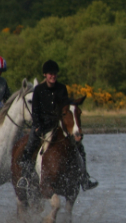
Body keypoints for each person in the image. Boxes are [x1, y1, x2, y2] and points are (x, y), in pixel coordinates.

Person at [17, 60, 98, 190]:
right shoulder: (38, 90)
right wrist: (37, 125)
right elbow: (35, 110)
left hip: (57, 124)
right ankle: (24, 178)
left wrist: (74, 103)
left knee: (80, 148)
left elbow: (65, 106)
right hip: (41, 125)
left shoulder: (62, 88)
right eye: (50, 74)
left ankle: (84, 178)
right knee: (30, 144)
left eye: (55, 74)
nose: (53, 76)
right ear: (45, 75)